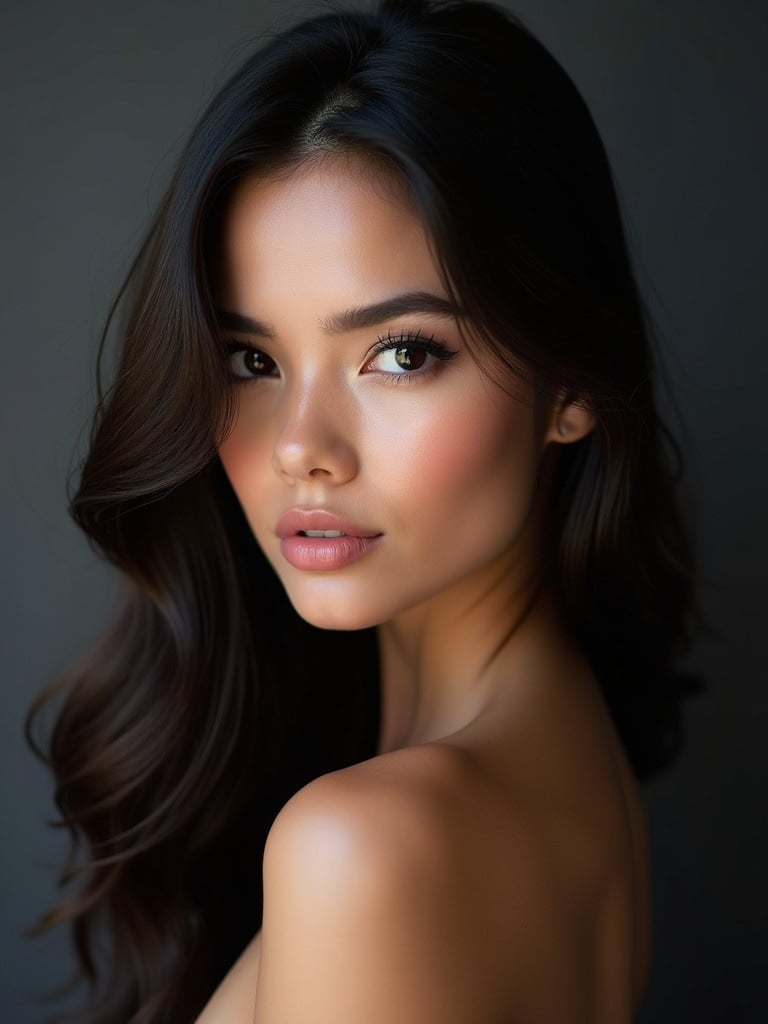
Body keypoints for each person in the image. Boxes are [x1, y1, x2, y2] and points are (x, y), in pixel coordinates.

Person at [27, 0, 698, 1021]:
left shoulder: (364, 847)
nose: (301, 445)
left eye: (401, 353)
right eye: (252, 360)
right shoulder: (562, 764)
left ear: (573, 389)